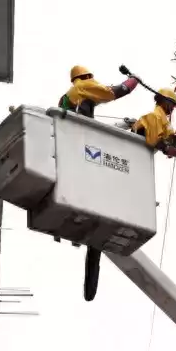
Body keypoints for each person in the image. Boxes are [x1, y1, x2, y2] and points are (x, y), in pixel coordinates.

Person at [58, 65, 139, 303]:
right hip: (84, 152)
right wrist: (133, 82)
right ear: (85, 78)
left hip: (74, 154)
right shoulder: (83, 87)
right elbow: (115, 91)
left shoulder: (67, 99)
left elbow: (90, 129)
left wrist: (123, 125)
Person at [131, 88, 176, 157]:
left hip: (139, 157)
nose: (173, 107)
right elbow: (167, 149)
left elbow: (174, 139)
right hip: (132, 153)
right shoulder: (152, 117)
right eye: (172, 103)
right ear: (164, 100)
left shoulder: (163, 122)